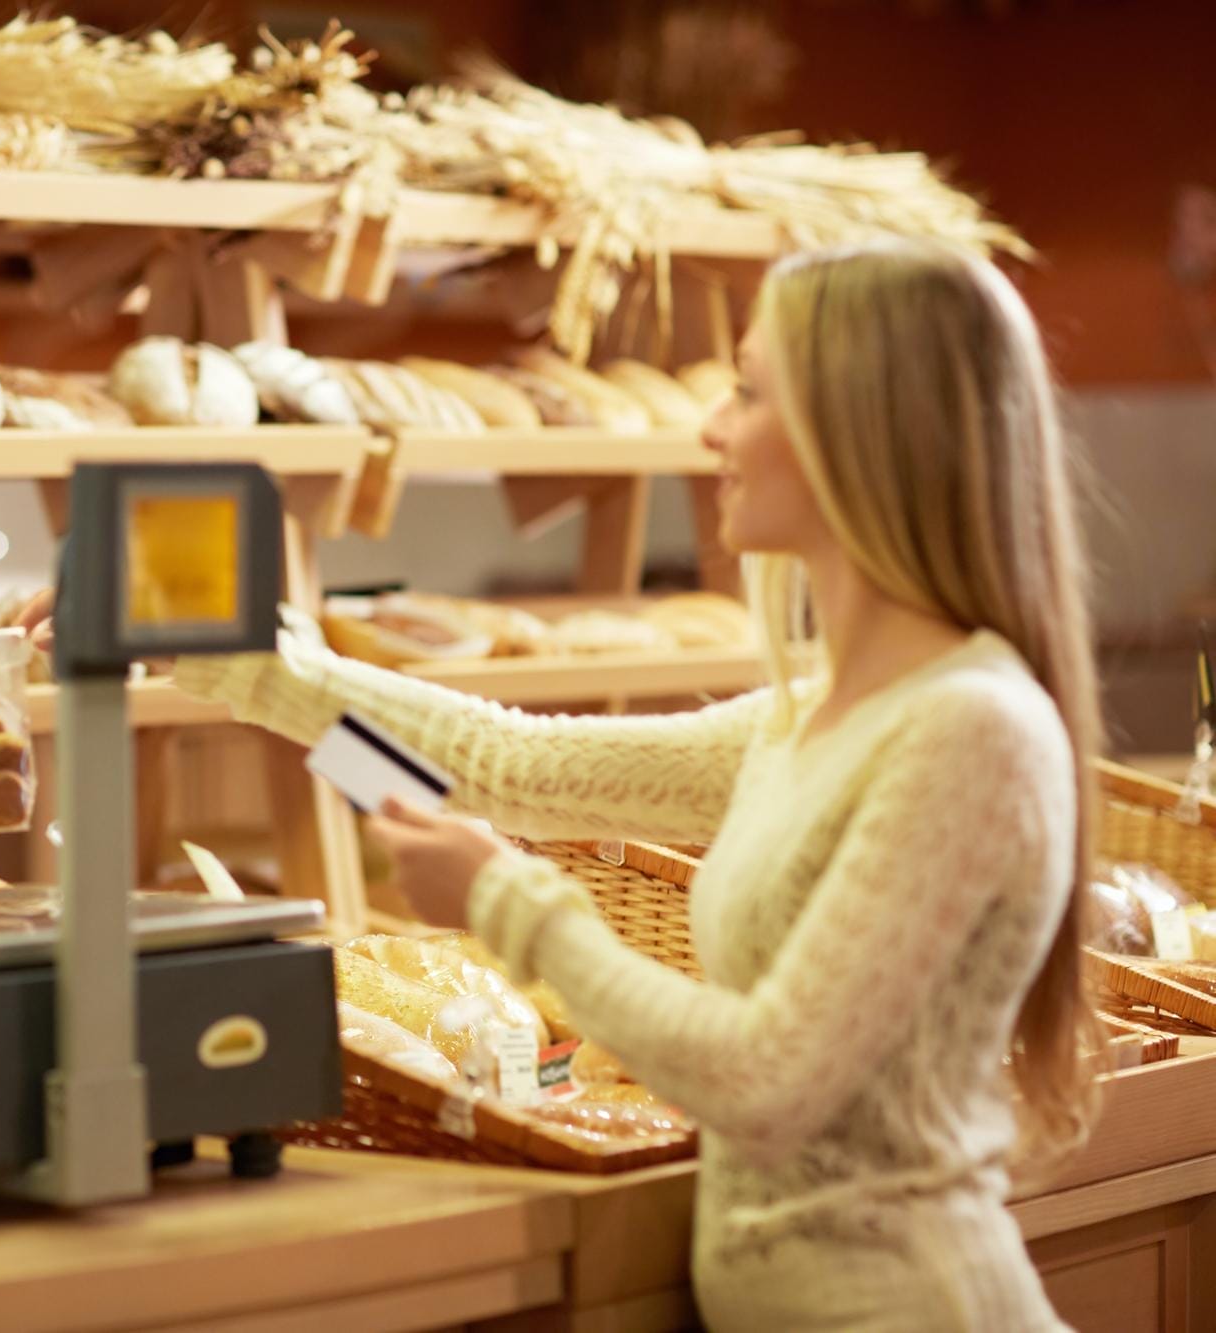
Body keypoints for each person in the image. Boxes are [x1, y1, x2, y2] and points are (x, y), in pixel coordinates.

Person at [178, 240, 1097, 1331]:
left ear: (863, 431)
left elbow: (768, 1081)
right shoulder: (810, 716)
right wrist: (239, 665)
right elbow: (509, 769)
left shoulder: (969, 731)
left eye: (750, 393)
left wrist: (508, 909)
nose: (710, 428)